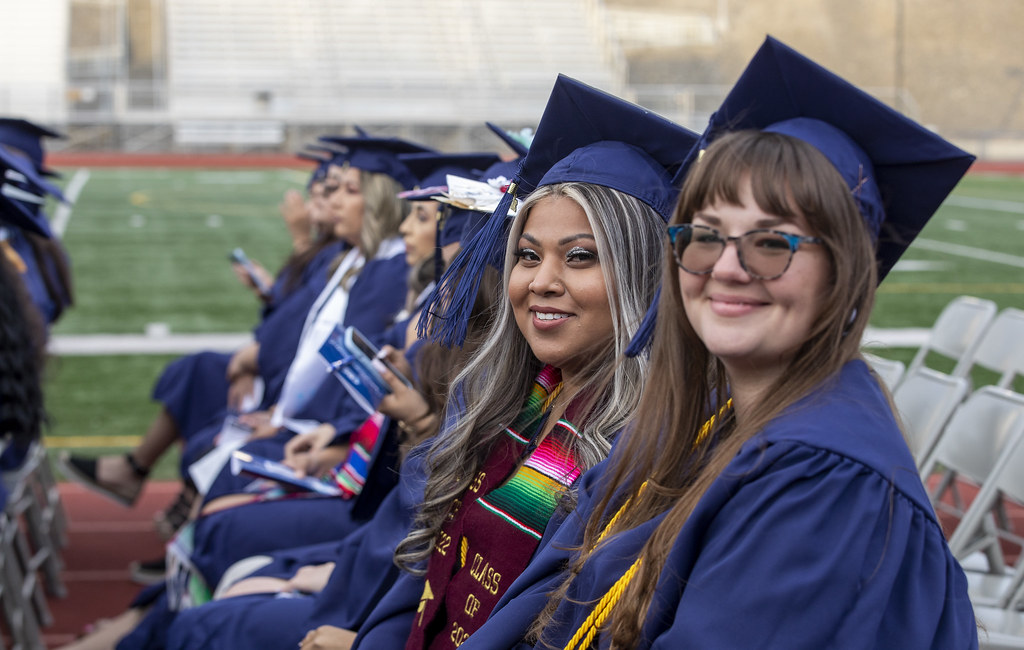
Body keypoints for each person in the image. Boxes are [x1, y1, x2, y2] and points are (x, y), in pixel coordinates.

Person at [461, 37, 979, 650]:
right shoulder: (703, 421)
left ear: (845, 269)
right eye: (705, 236)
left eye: (771, 242)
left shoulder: (825, 483)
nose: (728, 268)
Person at [343, 75, 697, 650]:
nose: (541, 282)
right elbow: (421, 576)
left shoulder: (645, 448)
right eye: (527, 256)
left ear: (645, 276)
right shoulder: (495, 398)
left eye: (580, 257)